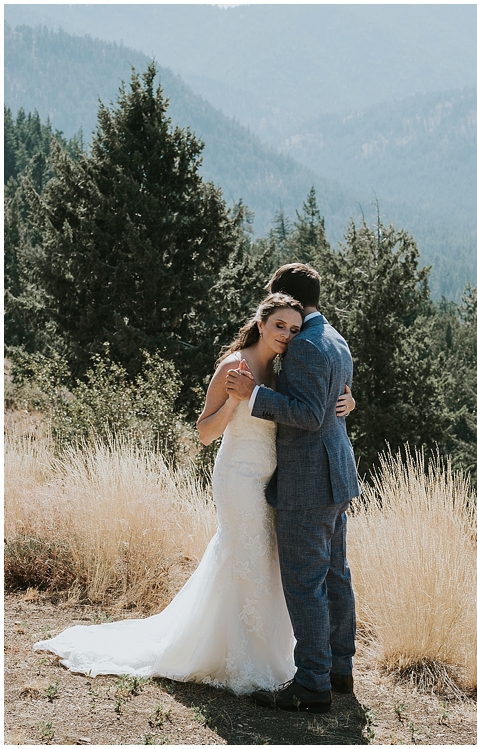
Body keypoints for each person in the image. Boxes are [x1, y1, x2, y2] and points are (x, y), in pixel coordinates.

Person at [34, 293, 356, 696]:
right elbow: (205, 433)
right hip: (238, 477)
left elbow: (305, 409)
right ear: (261, 323)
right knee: (243, 556)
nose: (287, 335)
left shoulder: (278, 369)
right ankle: (233, 655)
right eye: (279, 326)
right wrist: (236, 402)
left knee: (266, 564)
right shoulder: (233, 367)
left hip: (275, 481)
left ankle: (268, 653)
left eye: (294, 329)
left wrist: (347, 400)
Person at [224, 263, 361, 715]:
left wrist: (254, 395)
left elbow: (308, 414)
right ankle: (340, 669)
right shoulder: (334, 337)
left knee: (305, 584)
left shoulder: (303, 346)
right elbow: (333, 399)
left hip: (308, 482)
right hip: (337, 475)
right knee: (336, 575)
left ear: (289, 300)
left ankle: (312, 684)